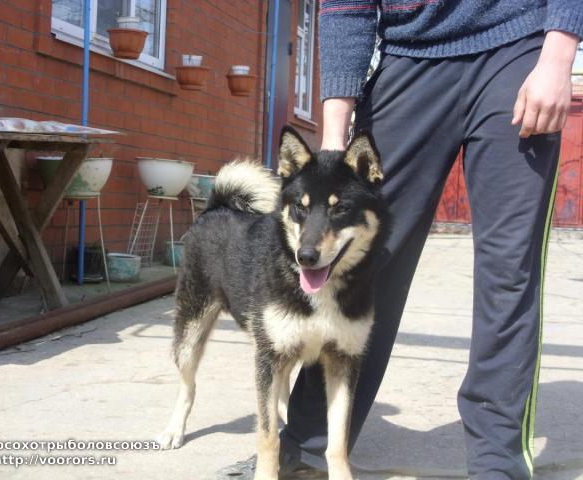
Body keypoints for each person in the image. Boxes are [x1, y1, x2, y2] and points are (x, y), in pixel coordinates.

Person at [218, 1, 582, 479]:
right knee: (364, 260)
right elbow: (346, 6)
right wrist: (334, 136)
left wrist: (558, 54)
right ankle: (305, 448)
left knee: (509, 270)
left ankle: (498, 463)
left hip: (516, 48)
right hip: (409, 57)